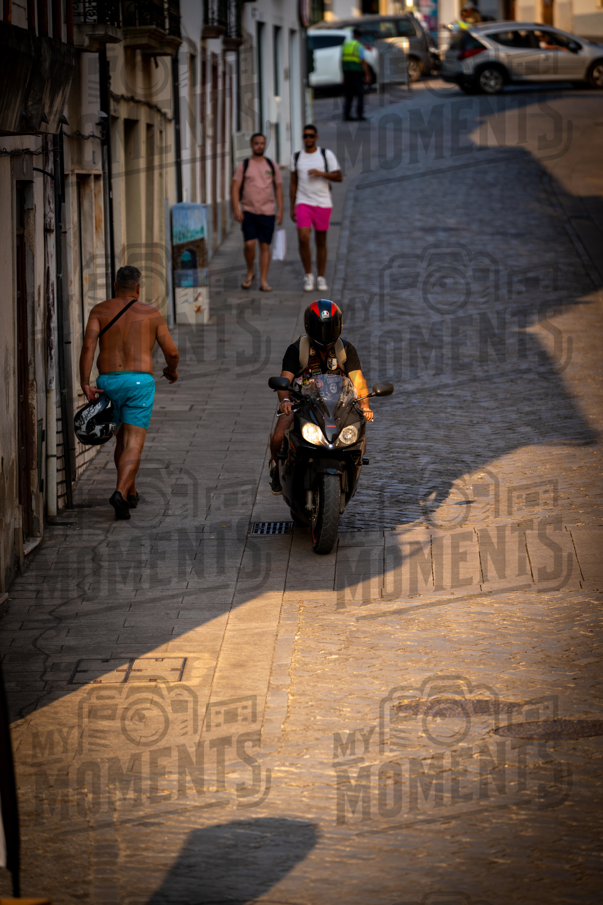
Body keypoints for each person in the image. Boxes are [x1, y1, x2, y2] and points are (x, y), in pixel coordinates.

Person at [79, 265, 179, 520]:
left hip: (107, 382)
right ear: (138, 288)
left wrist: (85, 382)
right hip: (139, 383)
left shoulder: (99, 310)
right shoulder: (152, 313)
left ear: (115, 286)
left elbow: (89, 346)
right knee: (133, 442)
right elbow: (172, 352)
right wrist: (171, 370)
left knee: (121, 440)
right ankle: (120, 493)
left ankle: (130, 491)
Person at [269, 299, 373, 495]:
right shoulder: (296, 349)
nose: (325, 333)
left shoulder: (346, 350)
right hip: (303, 403)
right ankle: (275, 467)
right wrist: (285, 401)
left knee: (358, 434)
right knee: (279, 435)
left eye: (330, 327)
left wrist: (365, 405)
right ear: (309, 326)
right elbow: (285, 379)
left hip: (339, 405)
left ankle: (352, 469)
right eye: (320, 327)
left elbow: (358, 381)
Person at [290, 125, 342, 294]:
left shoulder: (326, 155)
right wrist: (292, 206)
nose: (308, 139)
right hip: (303, 202)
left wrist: (322, 173)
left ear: (316, 137)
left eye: (311, 136)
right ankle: (308, 275)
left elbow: (339, 177)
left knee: (321, 241)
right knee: (303, 237)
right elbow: (293, 183)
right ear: (302, 138)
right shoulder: (296, 157)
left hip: (323, 202)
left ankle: (321, 276)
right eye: (305, 136)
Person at [231, 132, 284, 292]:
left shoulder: (271, 165)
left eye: (262, 143)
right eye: (256, 143)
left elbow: (278, 188)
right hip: (249, 211)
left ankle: (263, 281)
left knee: (265, 246)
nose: (259, 146)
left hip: (267, 212)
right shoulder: (244, 165)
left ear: (265, 145)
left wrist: (280, 210)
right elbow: (235, 188)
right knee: (249, 244)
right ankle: (250, 271)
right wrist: (236, 208)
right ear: (251, 145)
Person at [341, 27, 371, 122]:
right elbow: (363, 61)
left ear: (353, 35)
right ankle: (360, 115)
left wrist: (343, 74)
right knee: (360, 94)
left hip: (347, 73)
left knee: (349, 95)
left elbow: (341, 61)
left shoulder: (345, 45)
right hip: (357, 73)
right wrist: (367, 74)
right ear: (359, 36)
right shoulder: (359, 46)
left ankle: (346, 115)